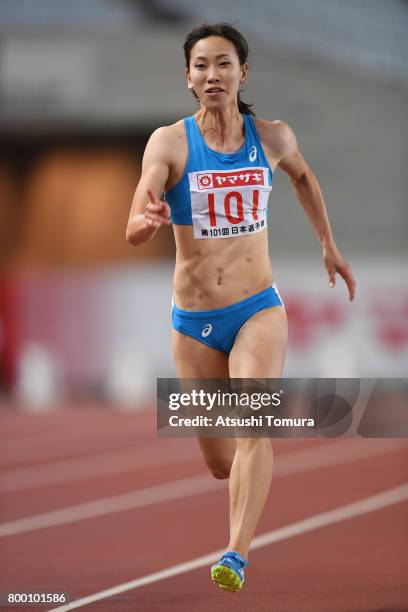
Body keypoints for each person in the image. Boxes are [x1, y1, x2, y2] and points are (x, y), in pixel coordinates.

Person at [126, 22, 356, 592]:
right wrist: (145, 221)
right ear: (188, 77)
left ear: (242, 74)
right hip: (195, 322)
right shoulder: (169, 143)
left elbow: (304, 177)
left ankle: (235, 554)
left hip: (258, 307)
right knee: (221, 461)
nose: (212, 75)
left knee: (253, 423)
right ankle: (243, 487)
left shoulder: (272, 137)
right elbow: (133, 223)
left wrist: (329, 244)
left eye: (223, 64)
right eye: (201, 65)